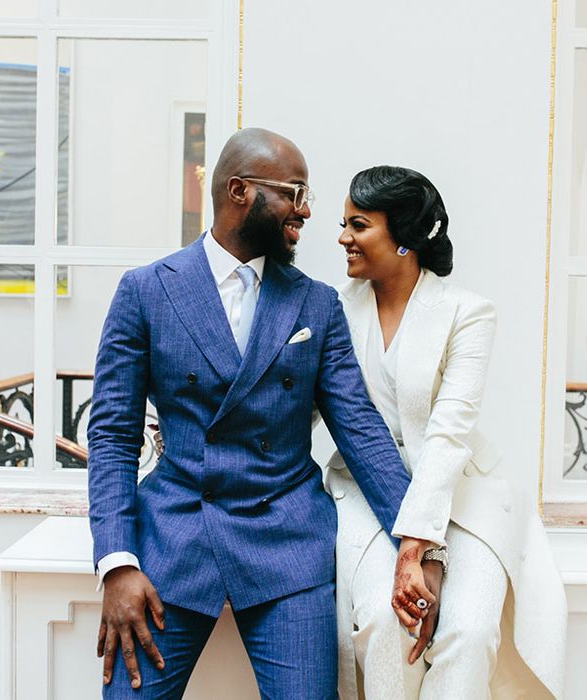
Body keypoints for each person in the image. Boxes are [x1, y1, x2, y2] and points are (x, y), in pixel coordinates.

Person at [87, 129, 436, 698]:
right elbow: (112, 435)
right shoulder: (145, 291)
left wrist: (419, 543)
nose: (304, 211)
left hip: (286, 543)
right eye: (295, 193)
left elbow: (362, 432)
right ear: (240, 190)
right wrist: (116, 561)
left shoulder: (315, 303)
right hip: (173, 538)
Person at [327, 165, 568, 699]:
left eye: (358, 224)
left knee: (469, 630)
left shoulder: (467, 313)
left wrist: (420, 550)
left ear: (406, 238)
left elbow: (449, 434)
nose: (342, 237)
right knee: (388, 624)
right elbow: (301, 408)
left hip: (463, 492)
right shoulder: (331, 312)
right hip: (366, 492)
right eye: (343, 223)